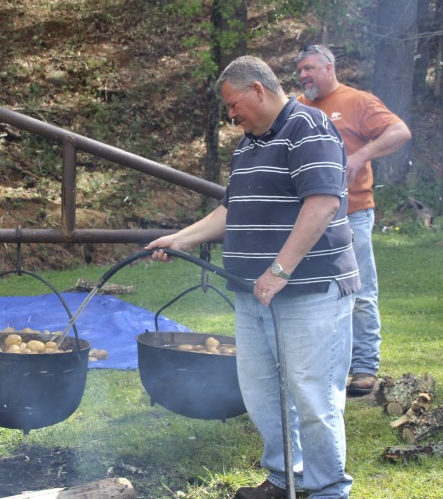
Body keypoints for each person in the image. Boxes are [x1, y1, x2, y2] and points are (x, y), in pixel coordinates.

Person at [146, 55, 360, 499]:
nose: (231, 115)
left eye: (233, 105)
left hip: (309, 291)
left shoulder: (310, 128)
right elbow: (232, 211)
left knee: (312, 394)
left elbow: (322, 205)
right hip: (252, 293)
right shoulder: (249, 145)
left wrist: (278, 271)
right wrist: (181, 239)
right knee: (261, 392)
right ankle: (285, 479)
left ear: (258, 90)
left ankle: (327, 489)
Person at [294, 44, 412, 397]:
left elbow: (400, 132)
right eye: (300, 70)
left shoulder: (357, 101)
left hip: (353, 212)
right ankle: (321, 362)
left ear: (329, 68)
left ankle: (364, 366)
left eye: (310, 68)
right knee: (311, 289)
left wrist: (360, 156)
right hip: (309, 214)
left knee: (358, 289)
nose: (304, 75)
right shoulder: (299, 107)